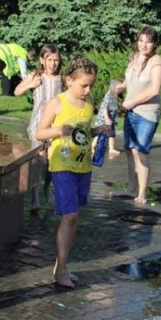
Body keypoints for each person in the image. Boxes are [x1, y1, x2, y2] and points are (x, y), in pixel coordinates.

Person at [35, 56, 108, 288]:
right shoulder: (58, 103)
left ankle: (61, 266)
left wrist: (99, 130)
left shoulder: (88, 104)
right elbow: (39, 133)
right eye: (84, 85)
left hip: (83, 167)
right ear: (69, 81)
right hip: (62, 166)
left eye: (91, 86)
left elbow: (83, 132)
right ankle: (61, 270)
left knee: (73, 218)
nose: (88, 90)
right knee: (70, 216)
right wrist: (57, 130)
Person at [112, 27, 161, 205]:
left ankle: (142, 193)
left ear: (154, 44)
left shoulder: (156, 61)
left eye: (148, 42)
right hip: (131, 112)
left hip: (147, 113)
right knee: (129, 151)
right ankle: (131, 189)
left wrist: (132, 102)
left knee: (140, 152)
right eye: (141, 40)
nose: (144, 45)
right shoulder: (133, 57)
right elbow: (130, 81)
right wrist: (119, 88)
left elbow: (154, 89)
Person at [14, 43, 63, 214]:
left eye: (56, 60)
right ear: (42, 60)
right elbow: (17, 91)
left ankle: (47, 187)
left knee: (51, 161)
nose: (53, 64)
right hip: (37, 124)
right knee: (39, 161)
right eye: (49, 60)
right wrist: (31, 84)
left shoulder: (62, 78)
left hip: (55, 125)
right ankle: (35, 198)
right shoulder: (35, 75)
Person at [92, 78, 124, 156]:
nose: (119, 91)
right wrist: (107, 118)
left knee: (111, 133)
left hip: (110, 119)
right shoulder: (109, 95)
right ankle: (92, 146)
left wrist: (119, 112)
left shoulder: (114, 96)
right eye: (118, 88)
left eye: (120, 89)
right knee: (100, 132)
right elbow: (104, 108)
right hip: (104, 119)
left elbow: (113, 108)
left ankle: (111, 148)